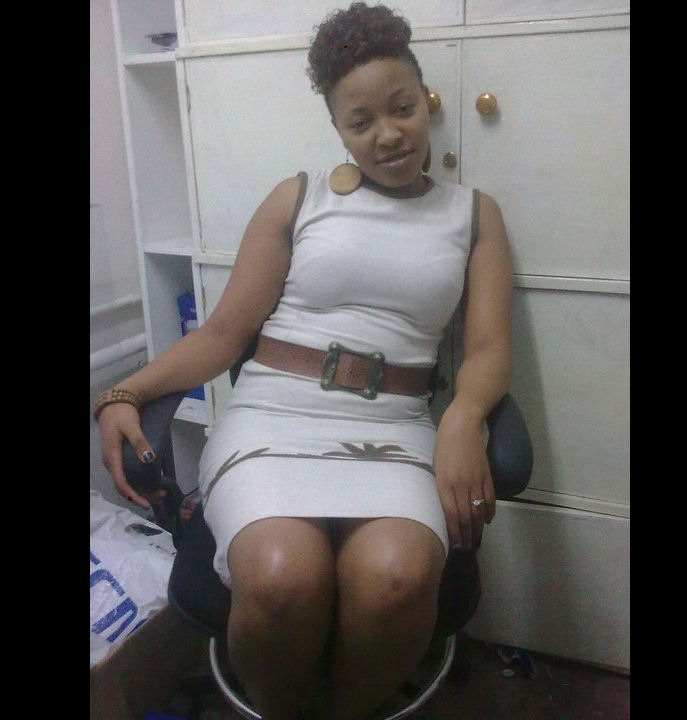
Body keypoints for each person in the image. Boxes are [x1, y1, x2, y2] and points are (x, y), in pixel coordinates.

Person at [94, 2, 513, 718]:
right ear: (337, 128)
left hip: (393, 428)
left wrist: (463, 417)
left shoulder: (473, 215)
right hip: (272, 418)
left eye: (402, 109)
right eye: (361, 122)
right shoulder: (300, 199)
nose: (388, 135)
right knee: (281, 578)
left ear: (426, 101)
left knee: (396, 579)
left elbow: (488, 348)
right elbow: (223, 334)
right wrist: (123, 392)